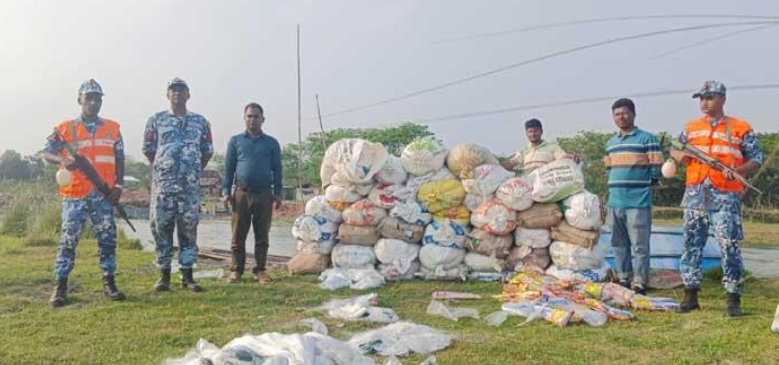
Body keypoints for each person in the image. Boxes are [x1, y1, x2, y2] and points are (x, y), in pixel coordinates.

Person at [670, 80, 763, 316]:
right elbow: (674, 147)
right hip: (696, 193)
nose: (704, 102)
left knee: (728, 244)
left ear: (722, 98)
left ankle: (733, 298)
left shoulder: (741, 127)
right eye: (701, 98)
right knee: (692, 243)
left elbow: (756, 158)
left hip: (726, 193)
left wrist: (739, 170)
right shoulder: (691, 127)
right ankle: (690, 295)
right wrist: (680, 156)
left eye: (709, 97)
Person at [43, 79, 126, 307]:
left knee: (107, 240)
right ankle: (60, 286)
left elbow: (119, 159)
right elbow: (46, 153)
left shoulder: (113, 128)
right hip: (75, 195)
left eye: (97, 97)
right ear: (79, 99)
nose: (93, 101)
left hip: (104, 195)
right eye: (88, 97)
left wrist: (118, 187)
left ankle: (109, 283)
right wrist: (63, 159)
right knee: (68, 241)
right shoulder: (64, 129)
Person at [143, 78, 214, 292]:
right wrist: (165, 168)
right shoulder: (156, 120)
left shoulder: (201, 122)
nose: (177, 94)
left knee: (188, 232)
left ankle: (187, 276)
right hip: (163, 187)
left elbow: (207, 150)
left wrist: (191, 170)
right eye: (173, 90)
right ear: (167, 95)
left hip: (189, 189)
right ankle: (164, 276)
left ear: (188, 95)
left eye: (181, 90)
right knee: (161, 229)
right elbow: (148, 149)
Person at [603, 98, 663, 295]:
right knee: (618, 243)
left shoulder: (647, 139)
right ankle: (623, 278)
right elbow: (609, 169)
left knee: (639, 244)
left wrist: (644, 185)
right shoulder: (610, 143)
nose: (621, 117)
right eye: (617, 114)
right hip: (615, 201)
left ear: (633, 114)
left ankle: (639, 282)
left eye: (624, 113)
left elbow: (657, 170)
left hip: (638, 201)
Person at [222, 103, 282, 284]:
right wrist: (226, 191)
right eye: (249, 116)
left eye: (256, 116)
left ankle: (260, 270)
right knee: (238, 235)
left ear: (262, 119)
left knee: (262, 235)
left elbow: (277, 170)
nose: (252, 119)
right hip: (241, 193)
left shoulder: (271, 143)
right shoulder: (235, 141)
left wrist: (278, 192)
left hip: (264, 194)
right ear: (244, 118)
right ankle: (236, 270)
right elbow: (229, 169)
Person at [501, 118, 578, 173]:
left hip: (546, 183)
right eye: (530, 132)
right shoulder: (523, 150)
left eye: (536, 131)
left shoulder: (552, 148)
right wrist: (495, 164)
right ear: (526, 134)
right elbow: (511, 163)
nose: (533, 134)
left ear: (541, 132)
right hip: (528, 185)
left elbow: (563, 157)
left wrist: (571, 157)